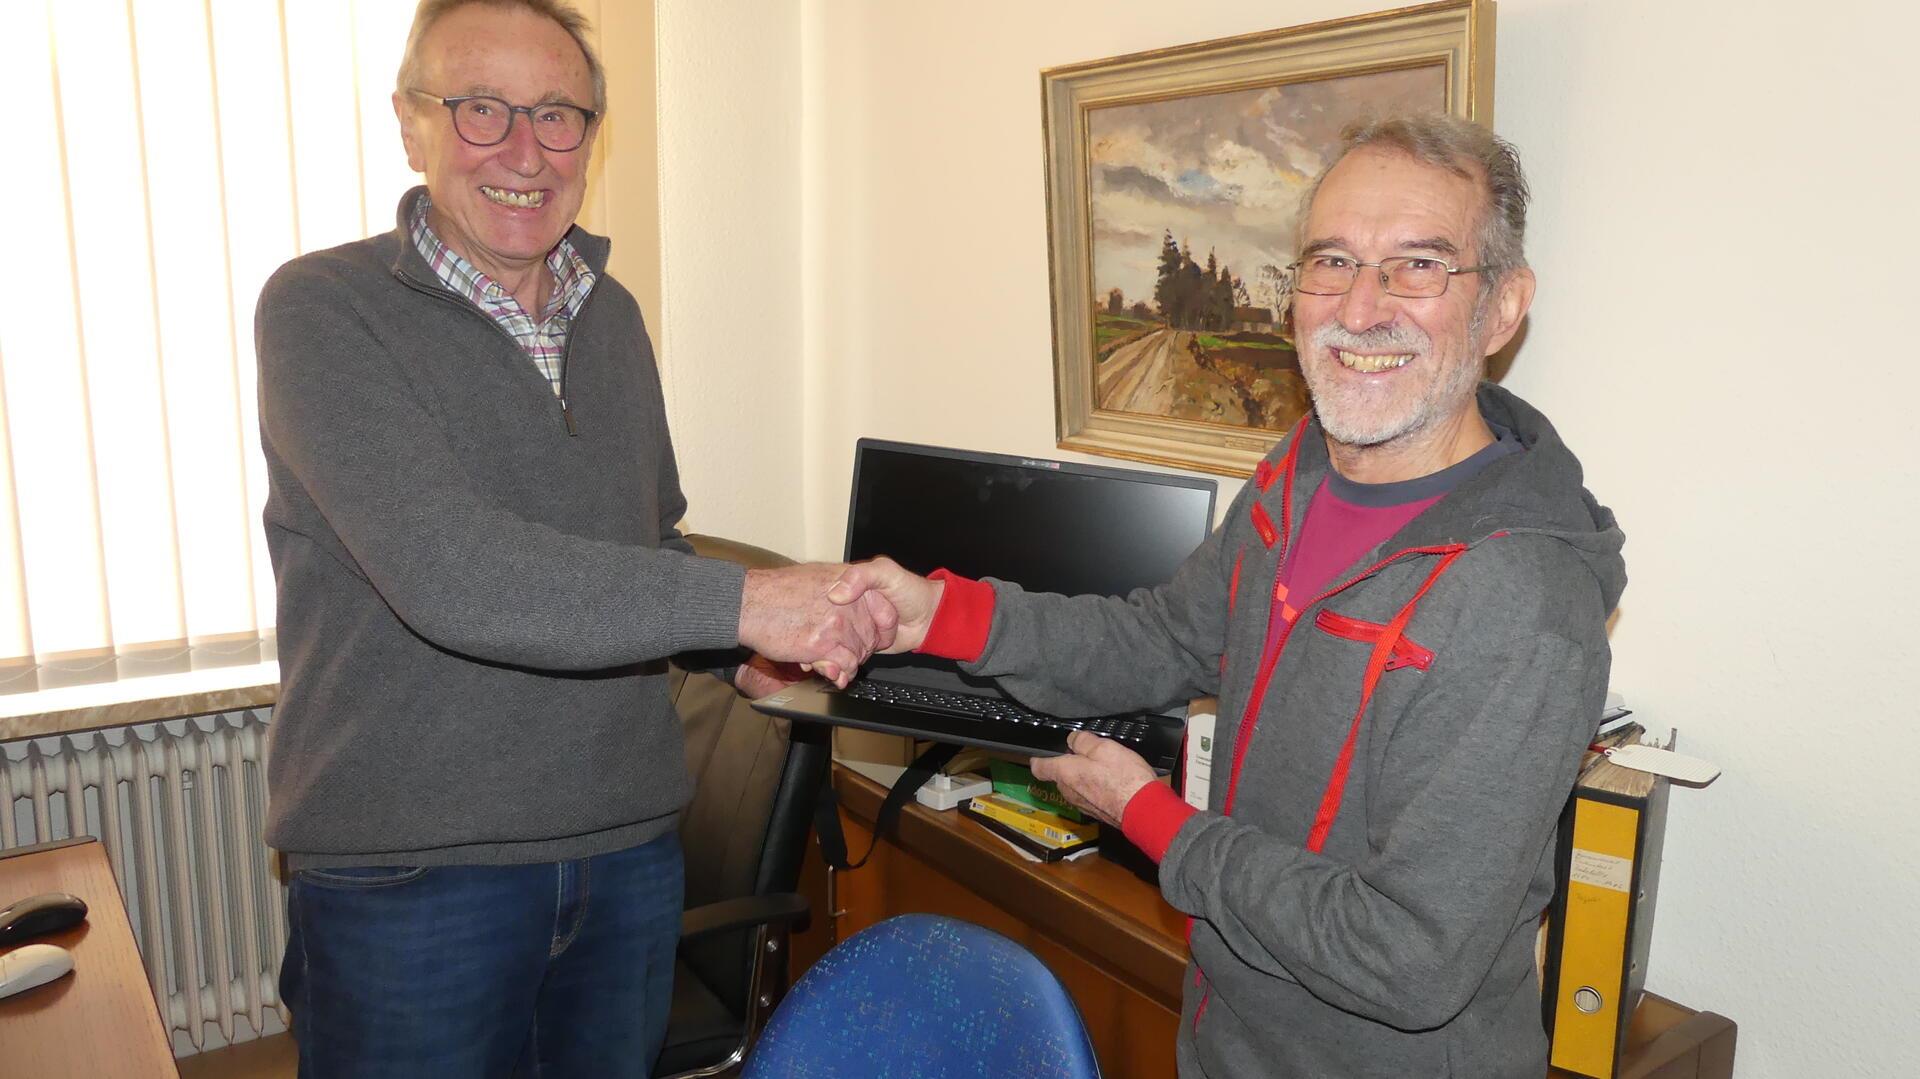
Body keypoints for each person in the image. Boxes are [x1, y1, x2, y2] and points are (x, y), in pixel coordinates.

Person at [831, 113, 1626, 1078]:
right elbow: (1158, 639)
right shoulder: (1298, 475)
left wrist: (1154, 820)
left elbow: (1411, 957)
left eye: (1418, 266)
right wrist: (941, 613)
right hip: (1225, 1037)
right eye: (1331, 261)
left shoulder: (1523, 600)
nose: (1360, 308)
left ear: (1502, 308)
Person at [254, 1, 885, 1075]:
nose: (523, 149)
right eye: (479, 107)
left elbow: (653, 542)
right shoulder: (323, 311)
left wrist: (742, 648)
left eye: (557, 114)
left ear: (593, 134)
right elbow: (451, 572)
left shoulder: (614, 317)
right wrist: (753, 600)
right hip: (415, 872)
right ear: (411, 124)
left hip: (627, 854)